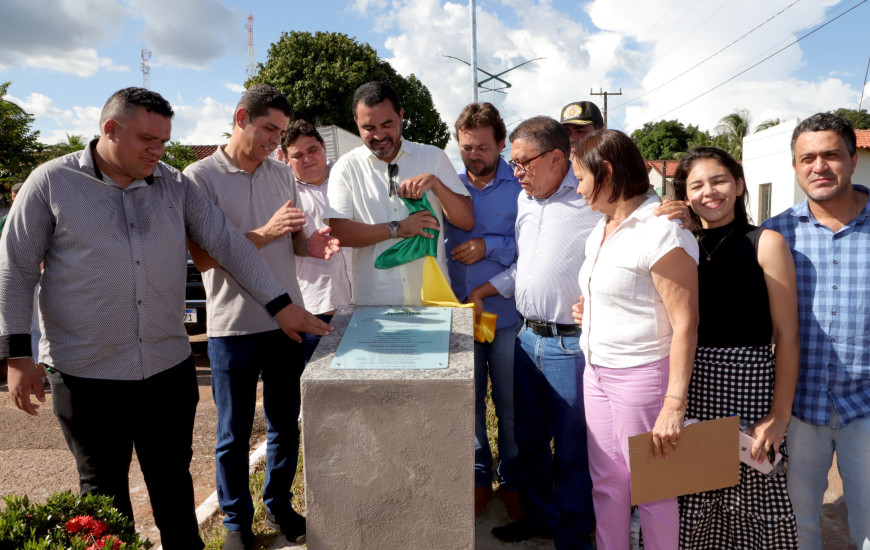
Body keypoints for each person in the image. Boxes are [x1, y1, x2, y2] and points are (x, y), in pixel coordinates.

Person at [0, 87, 330, 550]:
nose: (157, 151)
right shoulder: (51, 183)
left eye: (163, 141)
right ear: (109, 129)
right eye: (146, 140)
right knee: (103, 498)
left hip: (166, 366)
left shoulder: (175, 185)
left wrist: (281, 305)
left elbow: (227, 243)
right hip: (85, 372)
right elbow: (15, 267)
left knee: (174, 488)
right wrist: (16, 354)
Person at [184, 85, 339, 550]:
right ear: (240, 117)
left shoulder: (280, 174)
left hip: (285, 323)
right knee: (232, 433)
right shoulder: (198, 177)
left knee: (283, 424)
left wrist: (305, 244)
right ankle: (235, 524)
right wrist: (266, 231)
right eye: (268, 129)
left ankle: (280, 505)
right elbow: (205, 259)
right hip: (232, 327)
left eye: (280, 132)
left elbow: (289, 241)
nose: (276, 141)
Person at [573, 129, 699, 550]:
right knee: (608, 483)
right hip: (597, 372)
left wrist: (673, 405)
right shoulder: (603, 228)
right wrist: (589, 310)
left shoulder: (662, 229)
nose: (578, 188)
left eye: (581, 178)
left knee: (654, 490)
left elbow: (685, 323)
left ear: (606, 172)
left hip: (643, 376)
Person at [481, 116, 599, 548]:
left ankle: (572, 536)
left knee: (573, 452)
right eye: (512, 164)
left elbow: (644, 219)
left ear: (555, 158)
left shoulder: (592, 197)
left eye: (521, 163)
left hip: (571, 345)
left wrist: (675, 210)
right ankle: (539, 517)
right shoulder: (526, 201)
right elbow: (523, 265)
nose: (516, 173)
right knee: (526, 441)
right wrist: (486, 289)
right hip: (526, 340)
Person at [673, 147, 799, 549]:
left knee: (755, 503)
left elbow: (788, 336)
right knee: (693, 502)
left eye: (719, 180)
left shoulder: (766, 242)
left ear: (740, 185)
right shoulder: (679, 245)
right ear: (685, 195)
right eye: (697, 185)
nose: (709, 192)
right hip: (690, 387)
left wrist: (779, 416)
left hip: (750, 388)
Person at [762, 112, 870, 550]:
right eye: (807, 158)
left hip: (866, 403)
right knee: (798, 525)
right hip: (799, 407)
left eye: (831, 155)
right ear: (794, 166)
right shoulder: (775, 235)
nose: (819, 166)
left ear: (853, 159)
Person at [323, 81, 474, 305]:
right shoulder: (346, 167)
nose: (379, 135)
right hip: (376, 307)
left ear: (401, 115)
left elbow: (466, 221)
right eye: (369, 128)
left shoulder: (433, 157)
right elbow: (338, 232)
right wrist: (397, 228)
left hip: (433, 302)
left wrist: (437, 185)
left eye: (387, 124)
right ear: (356, 122)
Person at [444, 102, 523, 518]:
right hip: (459, 317)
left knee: (510, 407)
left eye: (482, 147)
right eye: (466, 146)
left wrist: (488, 245)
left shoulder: (521, 187)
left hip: (506, 317)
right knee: (468, 404)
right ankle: (477, 478)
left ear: (501, 144)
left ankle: (512, 480)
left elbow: (533, 248)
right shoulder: (449, 186)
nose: (473, 155)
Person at [280, 119, 352, 364]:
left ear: (324, 147)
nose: (308, 158)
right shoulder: (284, 194)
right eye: (298, 155)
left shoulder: (349, 179)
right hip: (317, 312)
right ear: (286, 159)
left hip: (365, 303)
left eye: (312, 150)